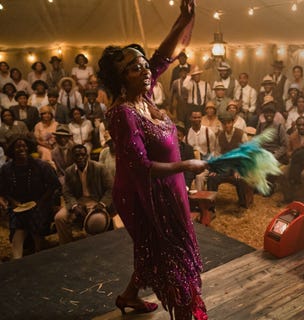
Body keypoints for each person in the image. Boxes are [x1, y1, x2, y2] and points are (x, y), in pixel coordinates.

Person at [98, 1, 208, 317]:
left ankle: (128, 297)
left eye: (145, 65)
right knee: (169, 255)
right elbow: (139, 168)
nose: (146, 70)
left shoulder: (144, 96)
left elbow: (161, 56)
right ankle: (188, 312)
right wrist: (186, 166)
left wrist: (182, 20)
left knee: (151, 253)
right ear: (121, 79)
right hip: (141, 192)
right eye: (135, 67)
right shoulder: (123, 114)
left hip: (167, 185)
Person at [0, 135, 61, 259]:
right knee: (17, 222)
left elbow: (54, 185)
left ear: (28, 148)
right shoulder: (6, 169)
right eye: (18, 146)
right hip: (17, 205)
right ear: (13, 150)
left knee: (35, 217)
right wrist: (13, 202)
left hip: (41, 203)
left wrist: (40, 202)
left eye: (24, 146)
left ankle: (39, 252)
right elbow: (2, 190)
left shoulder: (40, 165)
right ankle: (17, 258)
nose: (21, 148)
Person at [54, 144, 114, 244]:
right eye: (77, 155)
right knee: (59, 218)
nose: (80, 158)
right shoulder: (69, 171)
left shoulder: (99, 168)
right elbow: (67, 192)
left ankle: (94, 246)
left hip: (96, 201)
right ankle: (67, 246)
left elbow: (111, 189)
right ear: (72, 157)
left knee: (94, 220)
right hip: (78, 201)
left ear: (87, 156)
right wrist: (74, 206)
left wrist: (102, 204)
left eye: (83, 155)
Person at [208, 112, 253, 209]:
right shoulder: (219, 136)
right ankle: (210, 206)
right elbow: (217, 154)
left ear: (233, 122)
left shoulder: (241, 135)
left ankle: (242, 205)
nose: (227, 125)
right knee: (212, 178)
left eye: (229, 123)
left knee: (240, 179)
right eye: (224, 123)